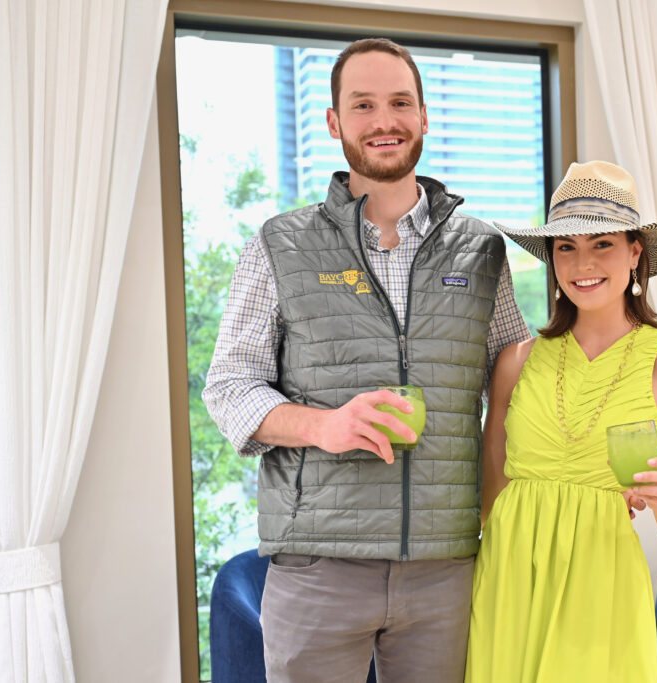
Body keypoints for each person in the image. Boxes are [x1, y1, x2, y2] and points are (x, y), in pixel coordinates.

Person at [203, 37, 530, 682]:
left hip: (447, 565)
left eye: (400, 102)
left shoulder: (482, 250)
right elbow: (230, 386)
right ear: (334, 123)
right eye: (364, 105)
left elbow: (519, 381)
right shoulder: (280, 244)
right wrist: (322, 425)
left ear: (425, 116)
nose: (385, 121)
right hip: (319, 564)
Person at [464, 161, 657, 682]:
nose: (582, 263)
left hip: (603, 585)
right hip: (509, 579)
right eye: (566, 247)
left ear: (635, 251)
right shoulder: (516, 361)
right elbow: (491, 495)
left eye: (602, 244)